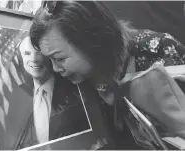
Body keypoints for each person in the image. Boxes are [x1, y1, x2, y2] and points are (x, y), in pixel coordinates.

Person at [29, 1, 185, 149]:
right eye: (50, 60)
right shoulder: (73, 82)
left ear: (92, 41)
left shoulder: (159, 51)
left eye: (59, 59)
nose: (55, 68)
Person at [17, 36, 90, 148]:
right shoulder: (18, 95)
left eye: (39, 53)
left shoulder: (74, 87)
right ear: (21, 59)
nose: (34, 59)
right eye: (27, 54)